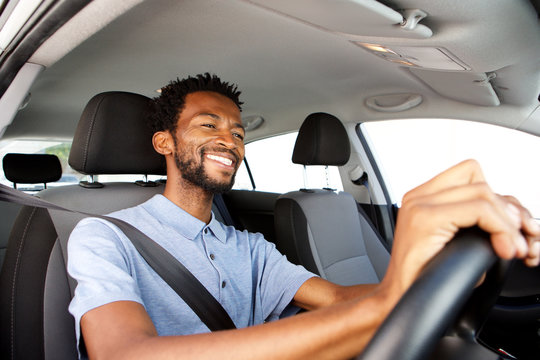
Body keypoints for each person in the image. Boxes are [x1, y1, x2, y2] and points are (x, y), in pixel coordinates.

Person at [68, 73, 540, 360]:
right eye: (208, 125)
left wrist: (429, 281)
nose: (230, 141)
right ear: (164, 143)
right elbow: (123, 354)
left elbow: (334, 297)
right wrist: (383, 307)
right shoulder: (104, 237)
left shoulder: (246, 245)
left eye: (237, 132)